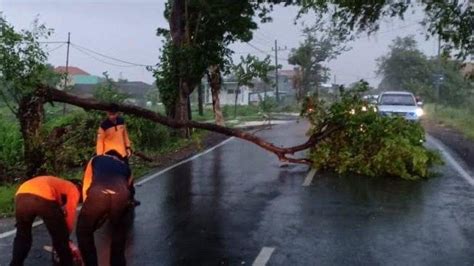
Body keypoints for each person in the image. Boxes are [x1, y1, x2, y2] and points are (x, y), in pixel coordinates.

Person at [77, 150, 132, 266]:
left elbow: (87, 183)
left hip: (98, 193)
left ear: (106, 154)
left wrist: (90, 209)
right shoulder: (126, 167)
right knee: (118, 231)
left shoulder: (96, 159)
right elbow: (129, 189)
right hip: (121, 195)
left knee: (83, 231)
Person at [10, 176, 82, 266]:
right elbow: (70, 213)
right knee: (61, 239)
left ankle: (15, 264)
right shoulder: (73, 188)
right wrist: (66, 236)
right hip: (43, 197)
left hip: (21, 196)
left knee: (22, 235)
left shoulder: (58, 184)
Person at [96, 104, 140, 206]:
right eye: (110, 114)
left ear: (118, 113)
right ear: (107, 113)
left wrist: (128, 147)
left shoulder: (121, 121)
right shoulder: (103, 126)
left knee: (128, 177)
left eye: (114, 114)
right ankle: (112, 201)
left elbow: (125, 135)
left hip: (122, 154)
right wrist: (100, 157)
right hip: (110, 157)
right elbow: (99, 143)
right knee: (112, 178)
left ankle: (131, 198)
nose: (112, 116)